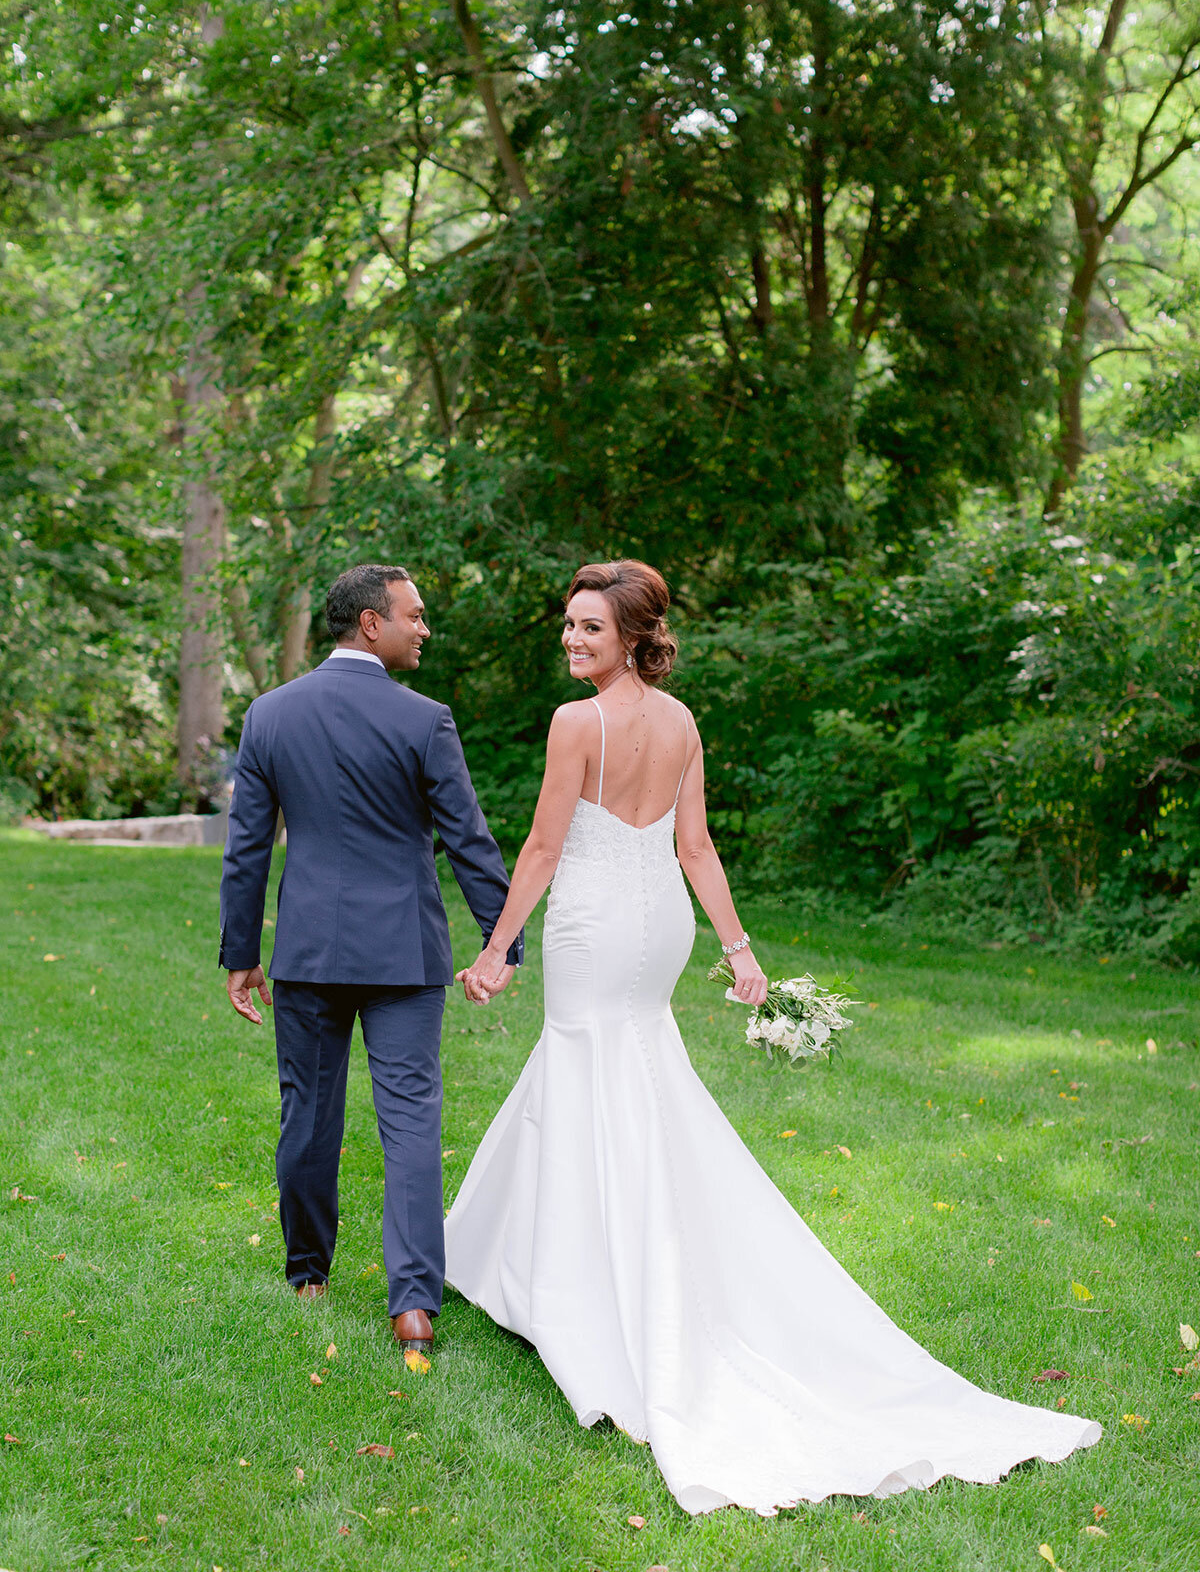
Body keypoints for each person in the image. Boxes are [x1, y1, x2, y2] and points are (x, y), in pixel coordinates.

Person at [446, 558, 1100, 1516]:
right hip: (659, 925)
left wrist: (498, 949)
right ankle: (531, 1251)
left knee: (588, 1069)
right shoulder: (682, 723)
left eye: (591, 628)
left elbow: (545, 847)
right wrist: (737, 948)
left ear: (632, 638)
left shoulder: (574, 723)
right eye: (571, 625)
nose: (572, 640)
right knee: (623, 1070)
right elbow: (694, 848)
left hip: (592, 925)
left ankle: (584, 1288)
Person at [219, 563, 521, 1357]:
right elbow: (468, 840)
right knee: (411, 1119)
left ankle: (307, 1275)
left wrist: (241, 954)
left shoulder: (270, 715)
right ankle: (413, 1304)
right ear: (370, 623)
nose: (425, 628)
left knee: (308, 1112)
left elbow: (247, 850)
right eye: (414, 615)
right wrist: (502, 941)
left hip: (308, 951)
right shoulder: (425, 720)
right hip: (405, 955)